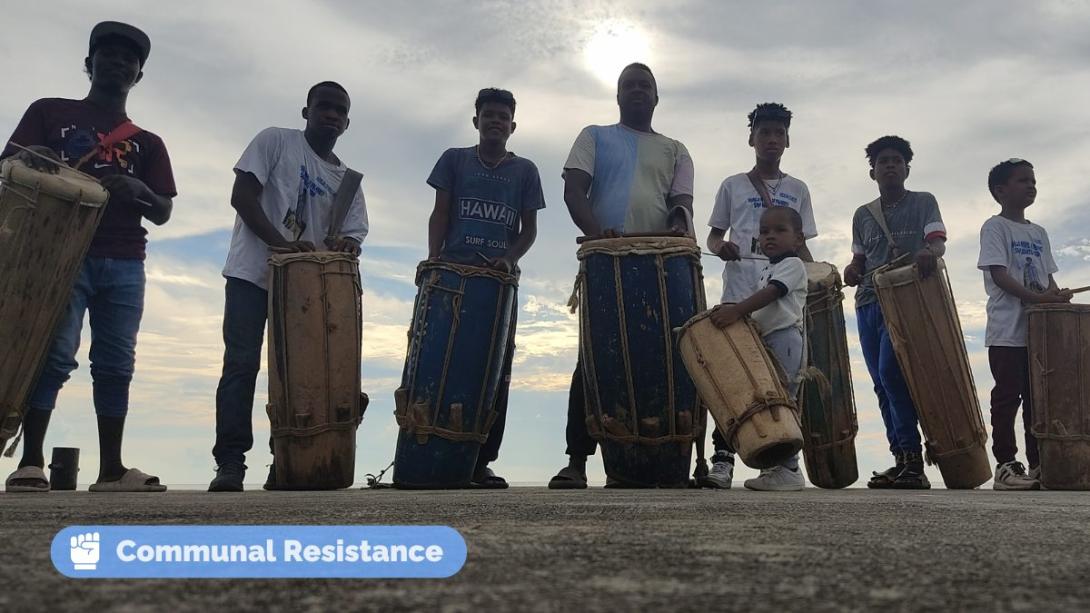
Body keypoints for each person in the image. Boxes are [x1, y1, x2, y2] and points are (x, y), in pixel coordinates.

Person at [2, 21, 176, 493]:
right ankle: (30, 462)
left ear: (137, 76)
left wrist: (138, 189)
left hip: (124, 258)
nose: (119, 64)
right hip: (59, 253)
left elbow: (161, 211)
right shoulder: (48, 112)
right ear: (89, 64)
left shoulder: (149, 142)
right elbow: (8, 164)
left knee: (117, 362)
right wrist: (33, 153)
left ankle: (112, 470)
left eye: (129, 60)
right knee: (54, 354)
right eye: (109, 55)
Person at [209, 81, 368, 492]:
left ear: (347, 123)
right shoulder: (275, 141)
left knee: (303, 377)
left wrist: (347, 244)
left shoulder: (346, 180)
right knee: (241, 366)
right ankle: (230, 462)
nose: (331, 114)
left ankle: (287, 462)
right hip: (253, 274)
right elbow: (242, 197)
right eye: (324, 106)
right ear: (306, 111)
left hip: (306, 293)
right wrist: (281, 245)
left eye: (339, 110)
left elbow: (352, 236)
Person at [548, 62, 694, 488]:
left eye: (644, 85)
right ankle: (577, 461)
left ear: (655, 96)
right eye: (628, 84)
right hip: (605, 260)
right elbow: (573, 190)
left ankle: (671, 459)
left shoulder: (676, 148)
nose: (636, 90)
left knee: (667, 358)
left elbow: (680, 205)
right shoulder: (594, 136)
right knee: (594, 357)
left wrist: (678, 228)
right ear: (617, 95)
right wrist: (597, 234)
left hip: (662, 266)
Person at [425, 87, 545, 488]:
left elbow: (529, 231)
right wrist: (435, 258)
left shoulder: (525, 170)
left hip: (498, 284)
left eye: (502, 117)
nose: (495, 121)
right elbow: (441, 212)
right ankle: (427, 450)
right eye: (488, 115)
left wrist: (509, 259)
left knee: (496, 370)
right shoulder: (454, 160)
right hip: (452, 278)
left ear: (513, 126)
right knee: (439, 361)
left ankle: (481, 461)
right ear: (476, 121)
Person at [704, 102, 818, 488]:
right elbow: (714, 236)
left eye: (779, 133)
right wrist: (721, 248)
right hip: (739, 295)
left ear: (787, 140)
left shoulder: (798, 189)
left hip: (777, 303)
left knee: (779, 388)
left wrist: (815, 283)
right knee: (731, 381)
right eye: (764, 132)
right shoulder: (732, 185)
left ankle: (782, 464)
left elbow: (802, 248)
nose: (771, 139)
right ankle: (723, 462)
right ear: (751, 138)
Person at [843, 135, 945, 490]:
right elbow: (859, 258)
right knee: (880, 385)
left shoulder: (923, 202)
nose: (889, 165)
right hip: (867, 302)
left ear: (907, 169)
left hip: (905, 302)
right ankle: (900, 459)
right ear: (872, 171)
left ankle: (915, 463)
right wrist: (851, 271)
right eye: (883, 161)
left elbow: (937, 241)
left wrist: (929, 252)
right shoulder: (862, 214)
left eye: (896, 160)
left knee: (891, 374)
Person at [977, 158, 1071, 490]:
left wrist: (1055, 297)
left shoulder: (1038, 232)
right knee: (1007, 396)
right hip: (1007, 331)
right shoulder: (995, 227)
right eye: (1022, 181)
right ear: (1000, 191)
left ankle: (1038, 464)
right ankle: (1005, 465)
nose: (1031, 185)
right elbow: (1000, 276)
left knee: (1037, 400)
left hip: (1038, 335)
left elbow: (1047, 282)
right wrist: (1041, 299)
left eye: (1032, 180)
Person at [708, 207, 809, 490]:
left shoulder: (793, 265)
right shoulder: (769, 268)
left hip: (785, 339)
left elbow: (771, 294)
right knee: (768, 400)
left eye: (779, 231)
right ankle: (775, 468)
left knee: (783, 401)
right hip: (769, 340)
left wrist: (737, 311)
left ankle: (790, 469)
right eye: (764, 232)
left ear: (798, 239)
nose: (770, 237)